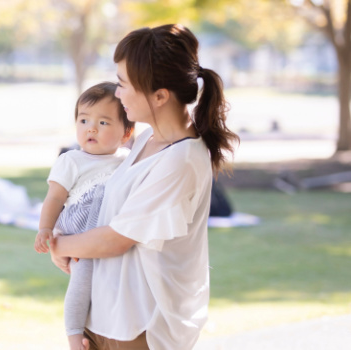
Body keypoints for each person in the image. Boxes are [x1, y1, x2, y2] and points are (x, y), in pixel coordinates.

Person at [50, 24, 238, 350]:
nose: (117, 93)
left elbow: (117, 239)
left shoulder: (181, 159)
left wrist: (58, 245)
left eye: (123, 84)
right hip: (105, 315)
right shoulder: (147, 139)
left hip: (140, 327)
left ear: (160, 96)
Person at [33, 82, 134, 350]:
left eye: (103, 122)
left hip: (105, 225)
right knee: (82, 276)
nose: (90, 128)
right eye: (84, 120)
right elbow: (54, 197)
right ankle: (74, 336)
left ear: (127, 132)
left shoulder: (128, 159)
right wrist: (46, 228)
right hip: (77, 223)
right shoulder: (72, 160)